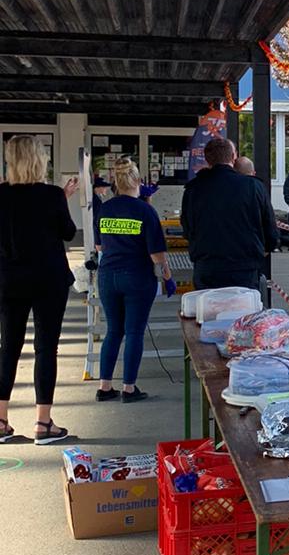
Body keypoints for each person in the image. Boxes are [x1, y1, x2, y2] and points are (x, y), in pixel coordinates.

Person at [0, 135, 79, 442]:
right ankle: (43, 424)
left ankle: (2, 420)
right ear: (39, 158)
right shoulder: (51, 195)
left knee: (9, 347)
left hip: (9, 280)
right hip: (48, 280)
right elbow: (68, 232)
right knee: (46, 348)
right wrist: (63, 198)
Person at [94, 159, 175, 403]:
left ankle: (105, 386)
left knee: (113, 331)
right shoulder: (145, 211)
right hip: (137, 277)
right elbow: (157, 255)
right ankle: (129, 388)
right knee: (134, 332)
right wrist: (168, 278)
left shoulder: (105, 208)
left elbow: (99, 245)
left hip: (108, 276)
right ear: (138, 182)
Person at [181, 137, 278, 290]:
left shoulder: (193, 190)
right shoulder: (253, 186)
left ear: (207, 159)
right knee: (245, 313)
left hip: (207, 268)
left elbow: (187, 229)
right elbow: (271, 231)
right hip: (244, 269)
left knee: (208, 312)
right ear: (234, 157)